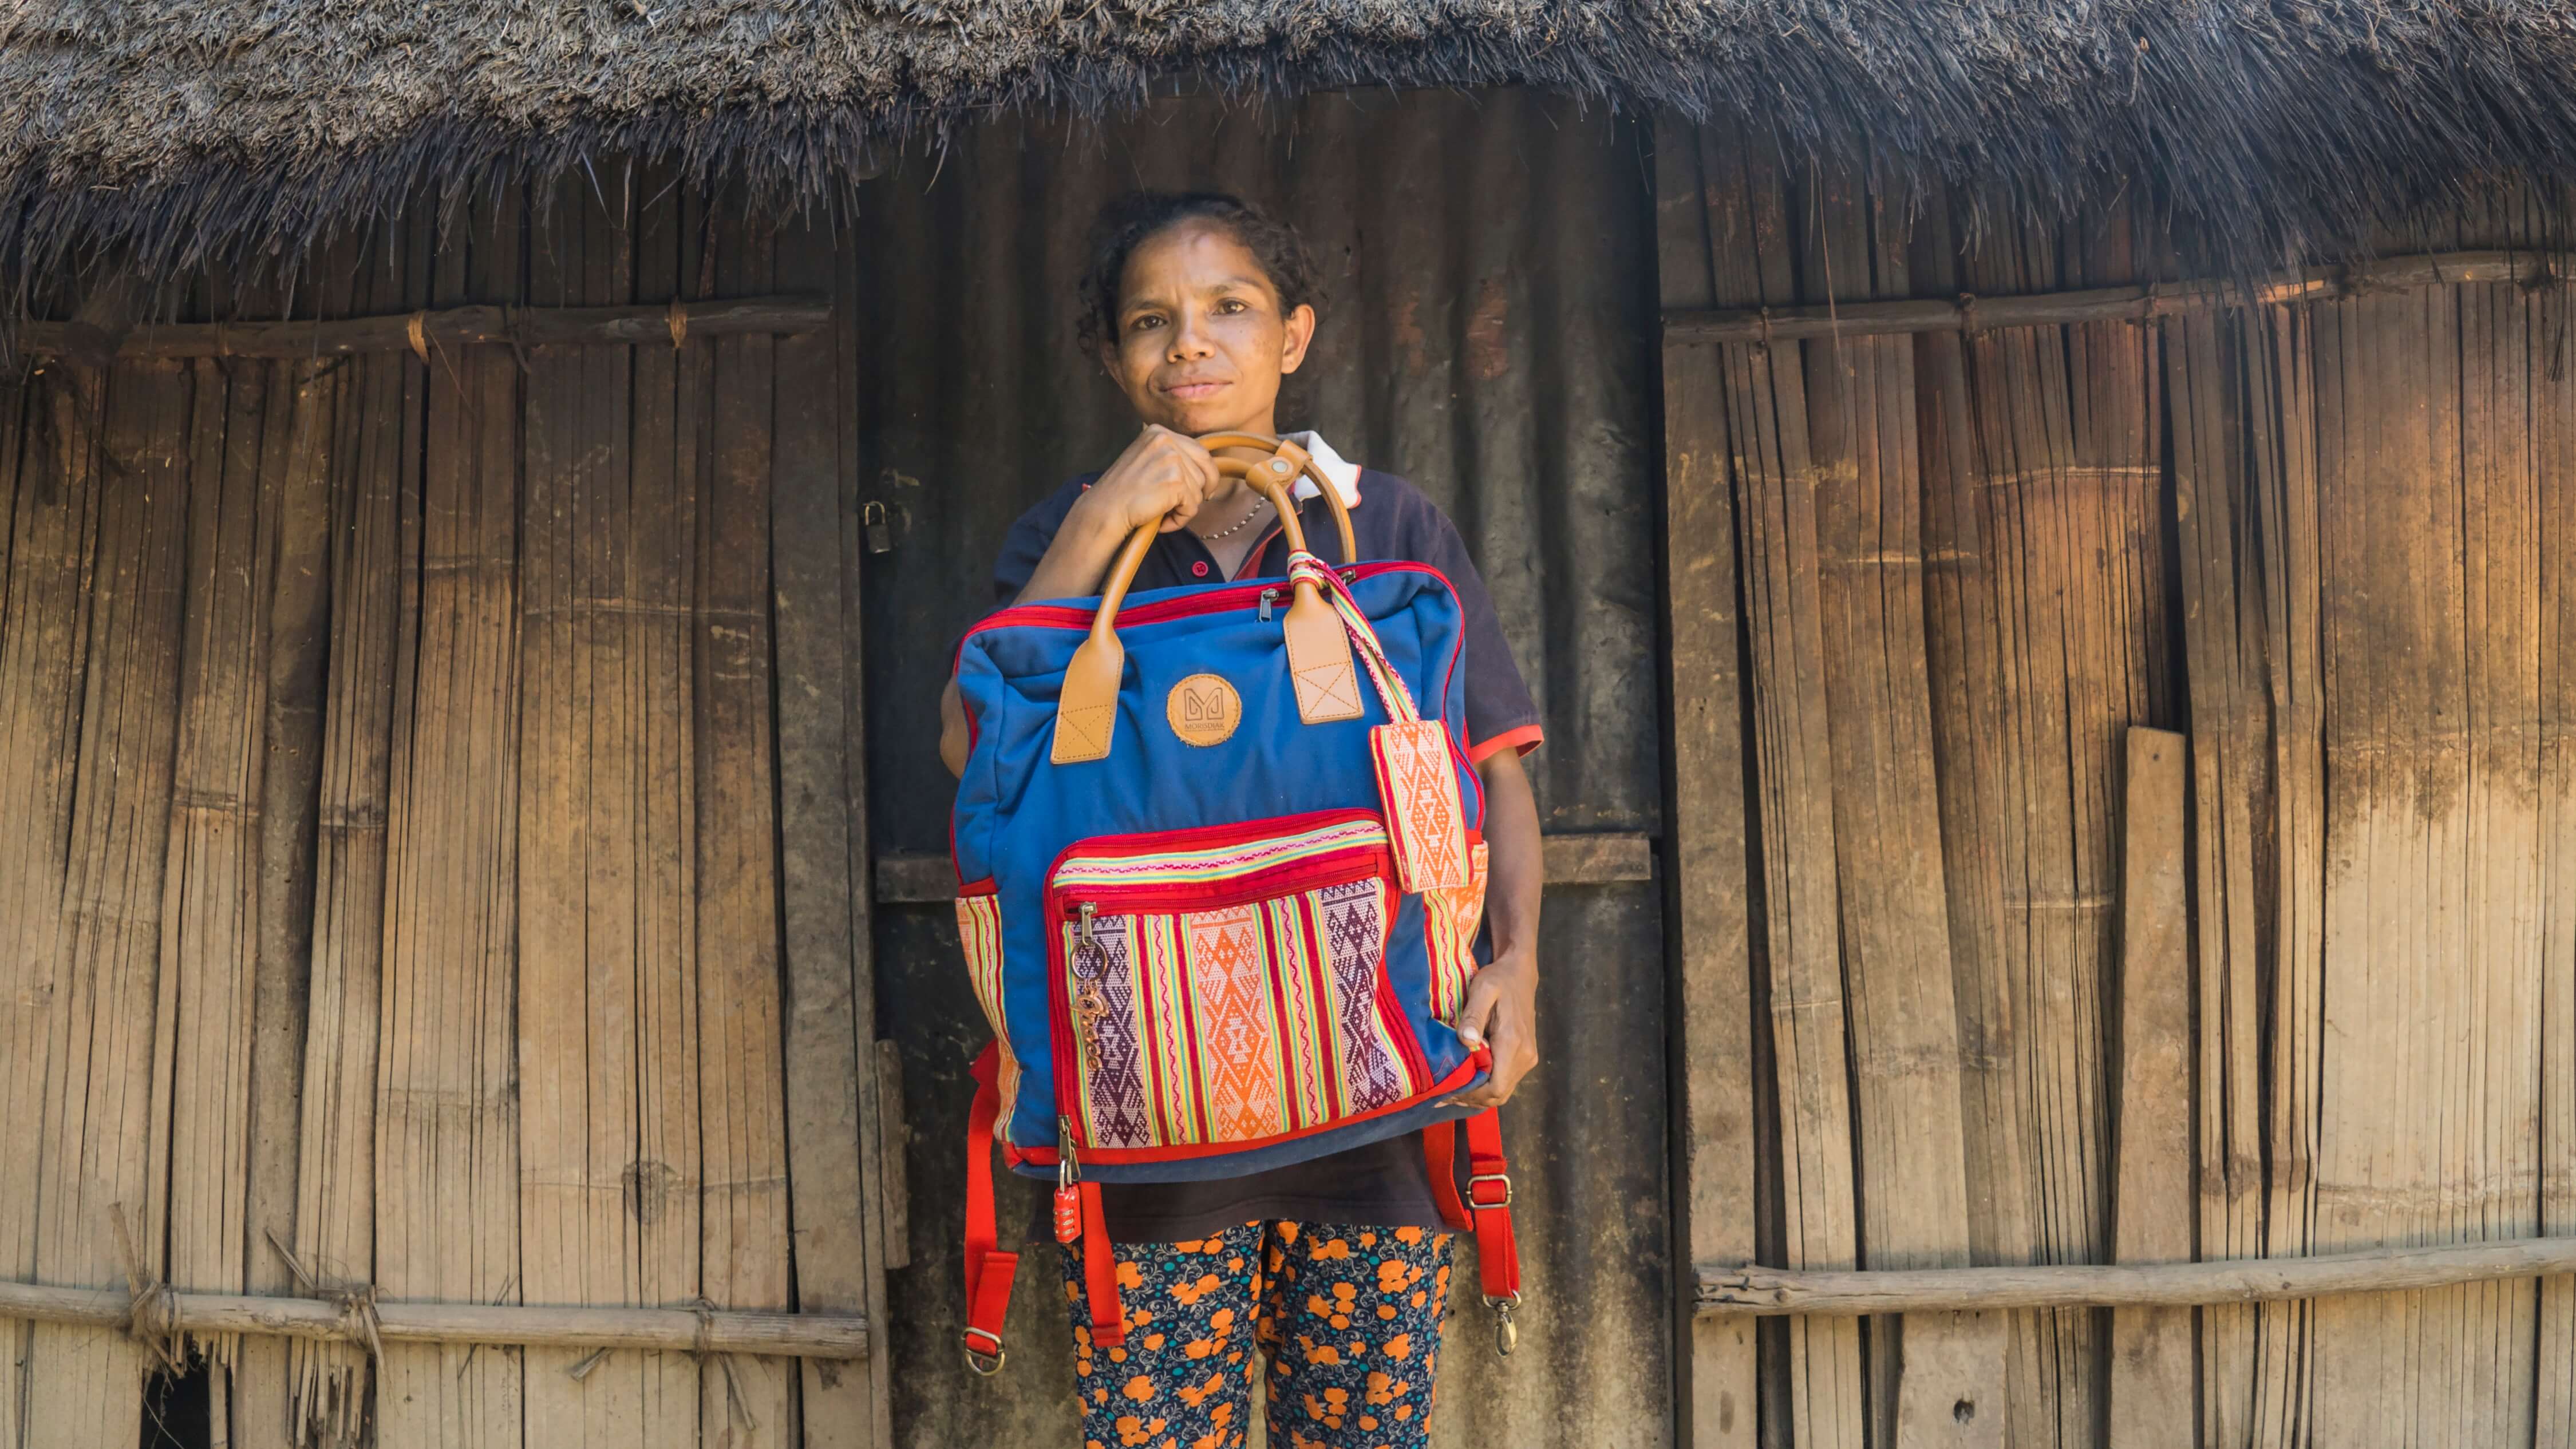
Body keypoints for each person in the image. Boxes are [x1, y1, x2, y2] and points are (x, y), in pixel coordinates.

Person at [939, 191, 1542, 1449]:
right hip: (1147, 1110)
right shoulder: (1064, 538)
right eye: (1152, 321)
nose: (1191, 344)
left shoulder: (1385, 528)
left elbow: (1490, 769)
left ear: (1296, 336)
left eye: (1230, 309)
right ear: (1114, 358)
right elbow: (968, 743)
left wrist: (1520, 966)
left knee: (1366, 1434)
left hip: (1373, 1094)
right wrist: (1109, 517)